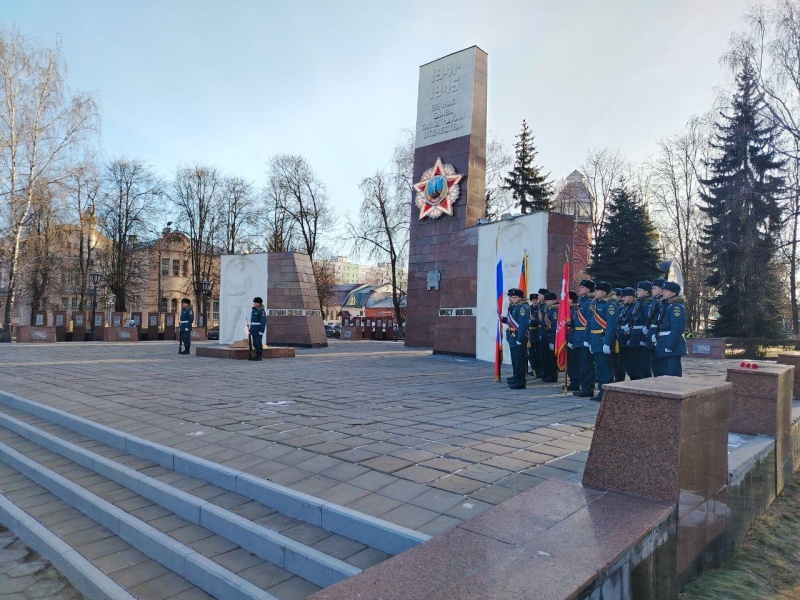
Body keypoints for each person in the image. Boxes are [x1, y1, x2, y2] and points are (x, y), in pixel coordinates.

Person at [588, 281, 618, 402]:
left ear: (604, 292)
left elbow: (611, 326)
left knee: (606, 367)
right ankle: (601, 390)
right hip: (595, 340)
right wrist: (589, 341)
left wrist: (607, 342)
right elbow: (590, 325)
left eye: (597, 290)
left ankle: (606, 392)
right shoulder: (596, 304)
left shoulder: (610, 305)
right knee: (599, 367)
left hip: (603, 339)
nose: (595, 292)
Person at [654, 281, 687, 376]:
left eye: (666, 291)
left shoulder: (677, 307)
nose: (663, 292)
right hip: (662, 341)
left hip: (671, 344)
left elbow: (677, 328)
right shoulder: (666, 305)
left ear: (673, 293)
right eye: (663, 290)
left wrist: (670, 345)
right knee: (663, 373)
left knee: (672, 374)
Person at [573, 280, 596, 398]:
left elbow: (589, 321)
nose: (579, 289)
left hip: (584, 336)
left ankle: (588, 388)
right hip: (578, 336)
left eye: (582, 287)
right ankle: (584, 386)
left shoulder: (590, 303)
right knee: (581, 364)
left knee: (586, 364)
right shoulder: (582, 302)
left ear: (588, 289)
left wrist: (587, 338)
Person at [503, 288, 530, 389]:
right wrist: (502, 319)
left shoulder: (522, 308)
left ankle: (520, 381)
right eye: (512, 297)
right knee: (515, 360)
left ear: (520, 298)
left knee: (519, 360)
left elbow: (523, 325)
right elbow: (511, 322)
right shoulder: (514, 307)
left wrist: (520, 339)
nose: (512, 299)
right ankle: (516, 377)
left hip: (519, 337)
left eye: (515, 297)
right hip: (512, 337)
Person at [628, 281, 654, 379]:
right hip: (635, 336)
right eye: (637, 290)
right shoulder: (639, 303)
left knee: (643, 365)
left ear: (647, 292)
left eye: (640, 290)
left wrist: (644, 339)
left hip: (641, 337)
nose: (637, 292)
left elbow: (648, 322)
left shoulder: (647, 304)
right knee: (635, 364)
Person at [644, 278, 666, 376]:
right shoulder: (655, 301)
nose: (652, 290)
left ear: (662, 289)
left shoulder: (663, 302)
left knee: (659, 365)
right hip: (651, 331)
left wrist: (656, 334)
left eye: (654, 288)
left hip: (657, 332)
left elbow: (662, 320)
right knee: (653, 362)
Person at [615, 287, 636, 381]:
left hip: (630, 339)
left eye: (625, 296)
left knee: (632, 367)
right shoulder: (624, 308)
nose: (622, 298)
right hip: (622, 339)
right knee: (620, 365)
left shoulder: (634, 308)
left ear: (631, 297)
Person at [541, 292, 559, 382]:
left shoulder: (555, 311)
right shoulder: (549, 309)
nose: (546, 302)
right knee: (546, 357)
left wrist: (552, 341)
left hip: (550, 336)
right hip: (546, 336)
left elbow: (554, 327)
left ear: (553, 300)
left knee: (551, 358)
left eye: (548, 300)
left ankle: (552, 375)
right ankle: (547, 373)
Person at [566, 290, 580, 391]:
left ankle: (578, 382)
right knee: (571, 362)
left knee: (577, 362)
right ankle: (573, 381)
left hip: (577, 338)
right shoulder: (569, 310)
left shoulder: (575, 309)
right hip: (571, 337)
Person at [527, 293, 542, 377]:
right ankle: (534, 369)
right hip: (530, 333)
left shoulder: (540, 309)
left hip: (538, 332)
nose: (535, 302)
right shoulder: (529, 309)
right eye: (533, 300)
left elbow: (539, 321)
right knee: (531, 353)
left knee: (538, 353)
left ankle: (539, 369)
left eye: (536, 300)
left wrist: (533, 321)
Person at [248, 297, 267, 361]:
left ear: (259, 303)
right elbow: (252, 321)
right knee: (254, 343)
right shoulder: (254, 310)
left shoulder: (261, 311)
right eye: (254, 302)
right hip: (253, 329)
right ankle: (256, 354)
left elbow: (263, 322)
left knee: (258, 342)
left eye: (255, 302)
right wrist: (250, 330)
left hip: (258, 329)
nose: (254, 303)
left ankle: (259, 355)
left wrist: (261, 331)